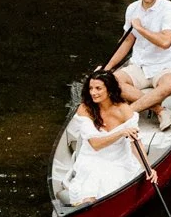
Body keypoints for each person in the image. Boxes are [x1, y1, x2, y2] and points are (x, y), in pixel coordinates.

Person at [106, 0, 171, 123]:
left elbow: (166, 42)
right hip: (139, 65)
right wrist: (106, 68)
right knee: (111, 82)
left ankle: (126, 114)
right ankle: (159, 110)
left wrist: (140, 29)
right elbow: (127, 41)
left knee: (170, 84)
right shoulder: (132, 9)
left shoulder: (169, 9)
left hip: (166, 65)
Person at [64, 70, 150, 204]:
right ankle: (87, 207)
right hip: (91, 158)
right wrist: (121, 132)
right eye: (91, 88)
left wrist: (148, 168)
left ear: (109, 90)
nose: (93, 92)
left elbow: (135, 142)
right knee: (91, 186)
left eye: (98, 88)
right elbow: (95, 144)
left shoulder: (124, 109)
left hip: (119, 160)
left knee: (110, 181)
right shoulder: (85, 108)